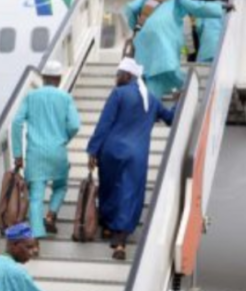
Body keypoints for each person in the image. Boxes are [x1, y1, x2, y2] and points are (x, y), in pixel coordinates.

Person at [88, 58, 176, 260]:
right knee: (130, 193)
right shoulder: (151, 100)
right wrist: (179, 102)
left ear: (128, 76)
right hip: (136, 155)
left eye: (118, 74)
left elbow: (104, 123)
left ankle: (109, 226)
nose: (116, 78)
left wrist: (92, 150)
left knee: (109, 187)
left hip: (111, 151)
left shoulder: (118, 94)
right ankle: (120, 241)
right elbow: (171, 119)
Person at [11, 60, 82, 239]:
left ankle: (36, 239)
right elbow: (74, 125)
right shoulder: (65, 98)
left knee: (35, 196)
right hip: (57, 152)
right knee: (61, 186)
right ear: (58, 79)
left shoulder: (31, 97)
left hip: (35, 154)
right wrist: (64, 138)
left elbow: (16, 122)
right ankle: (50, 215)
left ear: (43, 78)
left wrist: (18, 154)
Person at [125, 0, 229, 98]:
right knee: (170, 70)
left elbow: (130, 8)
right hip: (163, 34)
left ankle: (152, 107)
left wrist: (134, 26)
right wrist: (221, 7)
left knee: (154, 76)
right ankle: (183, 89)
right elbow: (197, 8)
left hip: (143, 36)